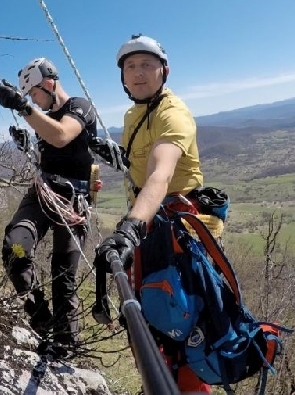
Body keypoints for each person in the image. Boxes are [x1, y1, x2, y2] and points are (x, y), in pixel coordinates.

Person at [94, 34, 214, 394]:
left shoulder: (172, 113)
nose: (138, 73)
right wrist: (118, 154)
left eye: (147, 64)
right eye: (130, 66)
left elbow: (161, 174)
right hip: (151, 230)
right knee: (149, 322)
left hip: (179, 234)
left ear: (164, 70)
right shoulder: (134, 114)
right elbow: (143, 165)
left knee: (181, 326)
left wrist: (131, 227)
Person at [0, 57, 97, 358]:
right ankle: (42, 320)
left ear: (49, 83)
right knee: (15, 245)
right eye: (30, 99)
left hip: (72, 199)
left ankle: (66, 343)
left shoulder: (80, 107)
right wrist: (28, 145)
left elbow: (62, 135)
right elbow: (48, 152)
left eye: (35, 94)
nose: (34, 102)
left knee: (63, 277)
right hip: (44, 191)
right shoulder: (43, 118)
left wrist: (22, 108)